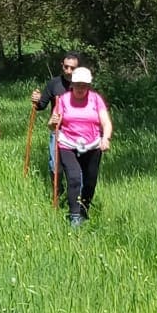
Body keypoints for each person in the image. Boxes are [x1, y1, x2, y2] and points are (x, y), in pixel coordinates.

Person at [49, 65, 112, 226]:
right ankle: (74, 215)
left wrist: (106, 138)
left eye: (84, 85)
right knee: (75, 178)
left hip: (92, 145)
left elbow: (106, 122)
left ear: (89, 86)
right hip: (68, 143)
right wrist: (53, 122)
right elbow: (52, 124)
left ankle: (84, 209)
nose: (80, 88)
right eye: (77, 85)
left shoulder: (96, 99)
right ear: (72, 84)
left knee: (90, 181)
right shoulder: (63, 100)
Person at [32, 51, 79, 191]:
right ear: (62, 66)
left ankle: (75, 193)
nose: (69, 71)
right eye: (66, 67)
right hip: (58, 130)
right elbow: (41, 106)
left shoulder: (82, 85)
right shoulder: (54, 84)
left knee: (75, 165)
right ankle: (57, 191)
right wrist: (36, 100)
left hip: (78, 132)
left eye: (72, 68)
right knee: (55, 165)